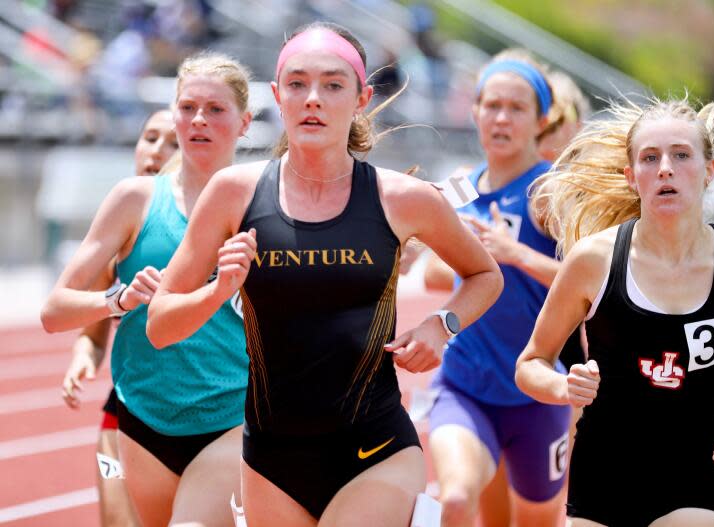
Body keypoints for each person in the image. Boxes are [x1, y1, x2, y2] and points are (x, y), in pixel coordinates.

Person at [146, 22, 503, 527]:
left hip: (375, 448)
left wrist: (441, 326)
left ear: (361, 97)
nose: (312, 98)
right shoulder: (233, 194)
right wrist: (219, 291)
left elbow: (485, 274)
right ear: (277, 95)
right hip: (271, 457)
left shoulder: (402, 198)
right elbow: (160, 326)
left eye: (333, 85)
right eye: (297, 84)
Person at [516, 97, 714, 526]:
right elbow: (530, 364)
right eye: (650, 157)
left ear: (710, 172)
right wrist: (562, 386)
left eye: (681, 155)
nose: (665, 168)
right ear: (632, 177)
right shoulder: (594, 260)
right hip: (603, 476)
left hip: (697, 478)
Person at [42, 52, 252, 527]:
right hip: (141, 419)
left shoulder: (266, 202)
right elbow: (53, 311)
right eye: (188, 107)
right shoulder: (134, 200)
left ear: (245, 122)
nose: (198, 120)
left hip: (231, 419)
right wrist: (117, 300)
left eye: (216, 109)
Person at [421, 49, 571, 527]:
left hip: (537, 391)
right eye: (492, 105)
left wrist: (515, 255)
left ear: (541, 120)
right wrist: (468, 263)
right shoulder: (461, 189)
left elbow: (596, 283)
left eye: (517, 108)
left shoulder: (551, 191)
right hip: (467, 383)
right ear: (475, 111)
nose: (501, 118)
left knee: (533, 522)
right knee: (457, 500)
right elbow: (429, 274)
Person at [60, 108, 176, 527]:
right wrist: (83, 358)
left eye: (174, 144)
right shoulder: (117, 233)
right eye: (149, 138)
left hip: (214, 420)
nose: (157, 152)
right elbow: (91, 334)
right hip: (126, 416)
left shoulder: (223, 222)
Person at [536, 70, 588, 164]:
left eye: (562, 115)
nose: (549, 122)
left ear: (578, 126)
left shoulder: (587, 173)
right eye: (543, 109)